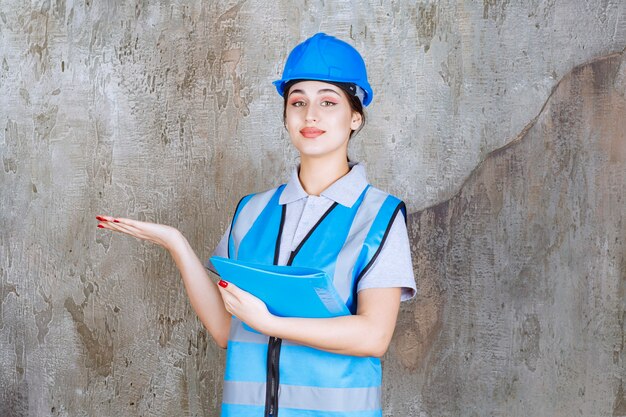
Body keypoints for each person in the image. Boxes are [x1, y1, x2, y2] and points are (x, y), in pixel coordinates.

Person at [96, 32, 416, 417]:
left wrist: (270, 323)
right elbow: (223, 330)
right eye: (298, 102)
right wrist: (176, 244)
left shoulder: (379, 216)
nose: (310, 115)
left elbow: (374, 335)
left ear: (355, 117)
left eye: (328, 102)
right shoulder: (251, 211)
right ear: (285, 117)